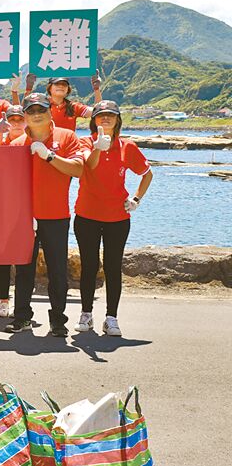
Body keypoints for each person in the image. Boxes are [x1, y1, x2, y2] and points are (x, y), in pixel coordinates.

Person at [7, 92, 88, 337]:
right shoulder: (16, 144)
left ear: (50, 111)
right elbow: (9, 184)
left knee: (57, 271)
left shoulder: (67, 136)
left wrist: (49, 156)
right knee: (24, 270)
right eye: (31, 111)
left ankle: (58, 320)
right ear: (24, 115)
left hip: (56, 215)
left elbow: (78, 170)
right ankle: (22, 317)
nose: (36, 115)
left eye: (41, 109)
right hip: (25, 218)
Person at [74, 100, 152, 337]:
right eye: (101, 115)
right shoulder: (85, 142)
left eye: (110, 115)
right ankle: (86, 314)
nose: (105, 118)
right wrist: (99, 147)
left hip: (117, 217)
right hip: (87, 215)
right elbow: (89, 165)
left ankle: (111, 318)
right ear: (93, 120)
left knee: (113, 266)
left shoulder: (127, 146)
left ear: (118, 120)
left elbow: (147, 174)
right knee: (89, 266)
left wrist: (136, 199)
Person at [0, 105, 28, 318]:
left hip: (25, 209)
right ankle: (3, 301)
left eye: (20, 119)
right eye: (12, 120)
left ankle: (21, 303)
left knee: (24, 259)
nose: (16, 123)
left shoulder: (31, 143)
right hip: (1, 208)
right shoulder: (0, 143)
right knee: (2, 258)